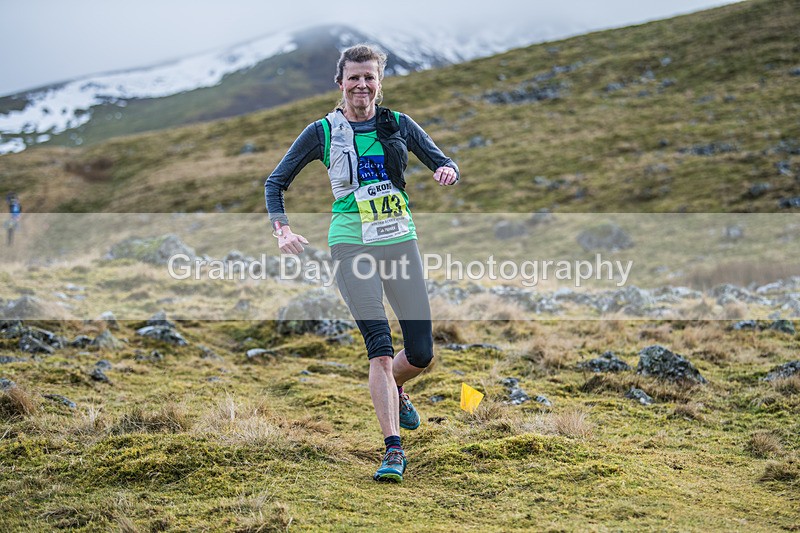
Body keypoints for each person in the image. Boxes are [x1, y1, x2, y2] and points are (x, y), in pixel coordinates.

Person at [264, 44, 459, 482]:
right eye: (353, 77)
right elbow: (275, 183)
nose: (361, 85)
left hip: (398, 239)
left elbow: (443, 161)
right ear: (340, 83)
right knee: (381, 350)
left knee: (423, 352)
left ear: (379, 82)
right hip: (351, 245)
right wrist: (283, 230)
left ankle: (397, 389)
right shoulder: (321, 132)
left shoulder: (399, 125)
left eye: (369, 77)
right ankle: (393, 449)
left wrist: (447, 171)